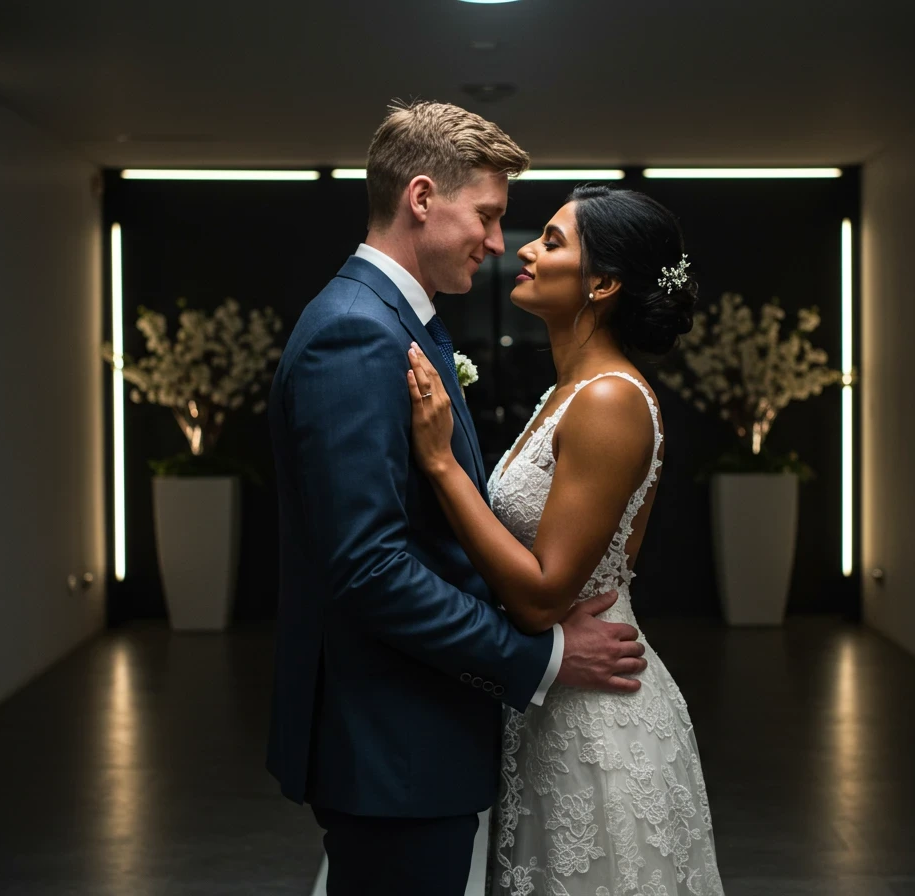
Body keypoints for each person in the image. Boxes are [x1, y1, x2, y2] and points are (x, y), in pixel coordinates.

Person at [265, 102, 647, 896]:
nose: (499, 243)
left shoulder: (395, 320)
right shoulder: (356, 332)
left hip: (420, 738)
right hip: (392, 747)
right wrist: (537, 655)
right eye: (489, 215)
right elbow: (370, 570)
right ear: (422, 198)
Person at [405, 185, 725, 895]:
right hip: (554, 701)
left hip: (599, 715)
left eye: (552, 241)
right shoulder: (567, 392)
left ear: (603, 283)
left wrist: (439, 464)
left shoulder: (610, 399)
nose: (523, 249)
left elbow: (545, 594)